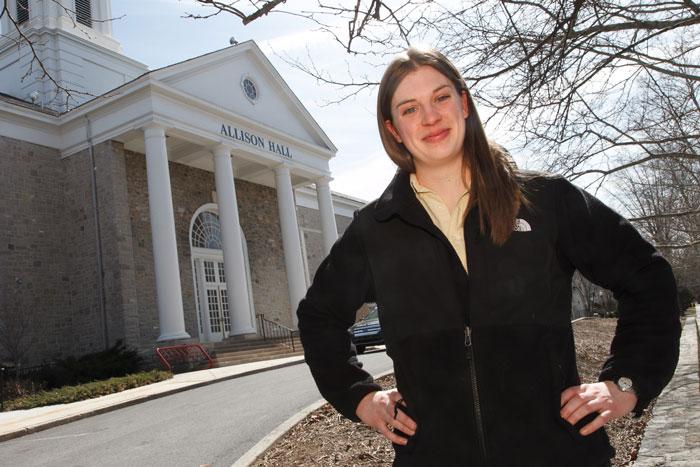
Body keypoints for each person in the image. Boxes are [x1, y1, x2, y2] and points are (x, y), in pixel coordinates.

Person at [296, 47, 681, 467]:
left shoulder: (543, 201)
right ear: (393, 129)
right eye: (410, 108)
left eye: (441, 97)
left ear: (463, 103)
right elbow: (319, 316)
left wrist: (626, 381)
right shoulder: (376, 229)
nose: (430, 117)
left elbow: (647, 277)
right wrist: (360, 397)